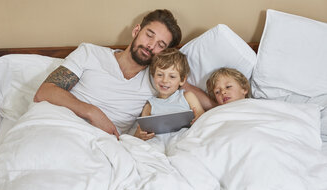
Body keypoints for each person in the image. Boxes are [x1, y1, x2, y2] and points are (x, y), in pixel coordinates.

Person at [34, 9, 214, 139]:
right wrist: (92, 112)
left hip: (103, 145)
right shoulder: (90, 53)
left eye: (161, 45)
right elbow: (44, 91)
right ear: (136, 31)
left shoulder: (159, 79)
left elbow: (207, 104)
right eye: (149, 35)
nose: (151, 45)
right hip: (58, 126)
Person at [134, 48, 205, 140]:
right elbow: (140, 132)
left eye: (172, 76)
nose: (164, 80)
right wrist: (140, 135)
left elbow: (202, 117)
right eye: (160, 75)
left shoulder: (187, 96)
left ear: (182, 80)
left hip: (184, 138)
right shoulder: (150, 105)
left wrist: (197, 119)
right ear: (153, 75)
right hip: (158, 141)